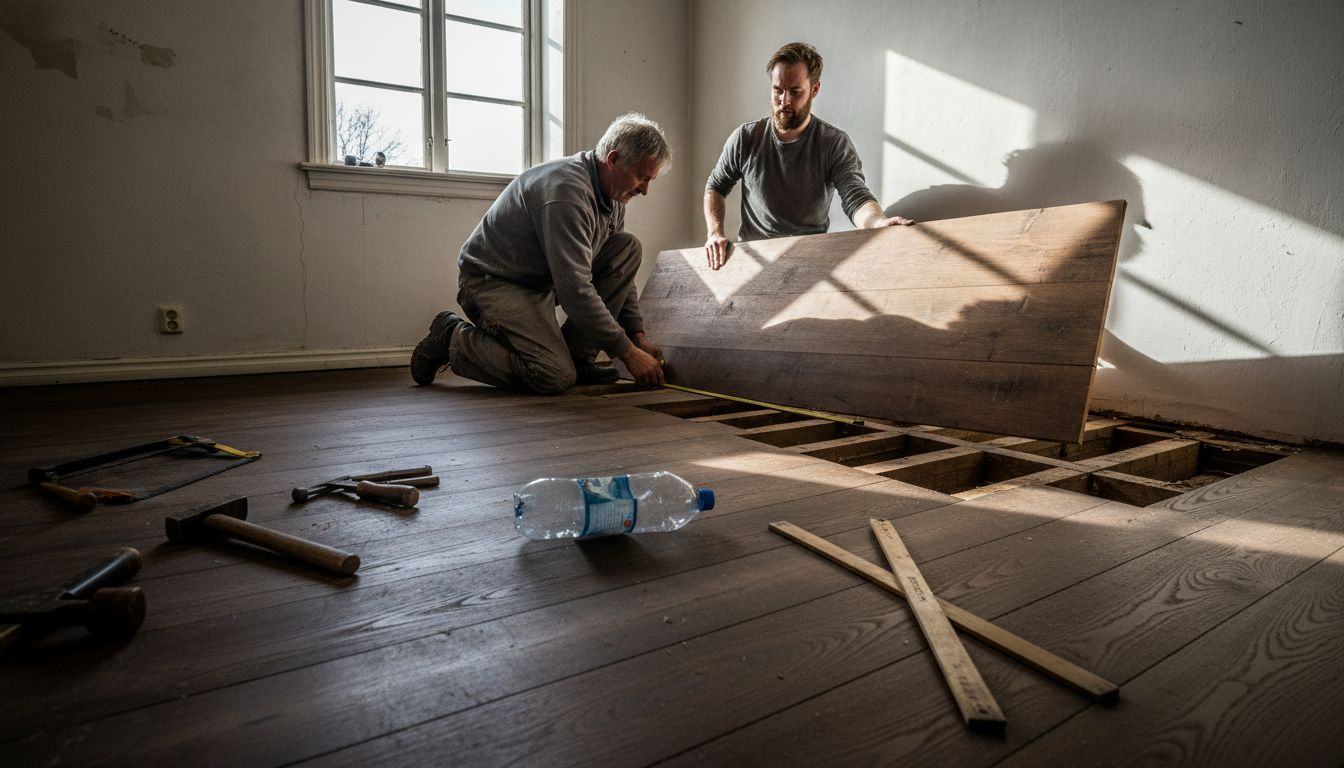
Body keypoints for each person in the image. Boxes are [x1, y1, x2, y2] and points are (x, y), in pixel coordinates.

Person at [410, 113, 669, 393]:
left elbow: (619, 273)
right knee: (553, 374)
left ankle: (578, 359)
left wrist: (637, 335)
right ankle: (451, 338)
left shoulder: (613, 194)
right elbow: (575, 290)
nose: (644, 189)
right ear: (614, 160)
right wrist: (627, 353)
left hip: (539, 283)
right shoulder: (567, 193)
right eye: (641, 177)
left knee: (627, 249)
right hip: (492, 282)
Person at [703, 42, 914, 270]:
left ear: (814, 89)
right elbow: (716, 186)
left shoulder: (833, 143)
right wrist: (715, 233)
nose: (784, 101)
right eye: (778, 90)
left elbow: (856, 198)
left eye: (795, 92)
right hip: (752, 261)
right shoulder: (745, 138)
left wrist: (878, 223)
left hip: (809, 262)